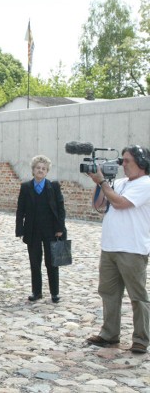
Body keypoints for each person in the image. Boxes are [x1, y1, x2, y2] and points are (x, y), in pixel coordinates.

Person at [86, 145, 150, 354]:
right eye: (122, 160)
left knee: (137, 295)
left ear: (141, 163)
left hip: (132, 248)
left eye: (127, 161)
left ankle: (141, 338)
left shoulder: (146, 183)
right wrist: (99, 183)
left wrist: (103, 182)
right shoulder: (120, 182)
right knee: (109, 293)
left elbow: (121, 203)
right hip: (110, 246)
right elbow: (99, 204)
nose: (123, 165)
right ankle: (109, 333)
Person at [15, 155, 66, 303]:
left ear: (47, 171)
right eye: (38, 168)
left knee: (52, 262)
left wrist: (60, 228)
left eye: (43, 169)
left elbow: (60, 208)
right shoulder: (26, 187)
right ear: (33, 170)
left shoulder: (53, 186)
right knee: (35, 262)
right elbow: (20, 210)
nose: (40, 170)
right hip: (33, 230)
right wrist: (20, 229)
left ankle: (54, 292)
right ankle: (36, 291)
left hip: (51, 230)